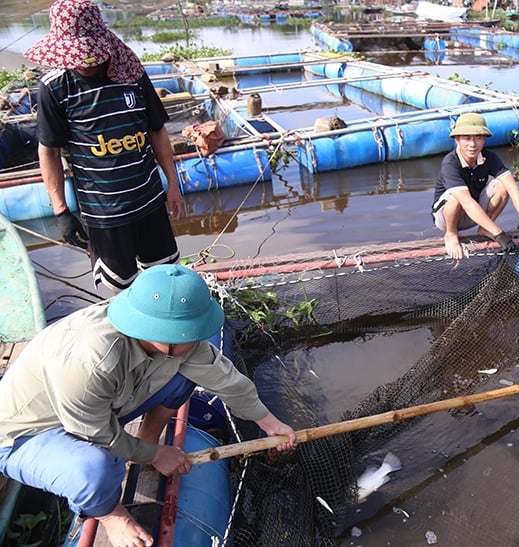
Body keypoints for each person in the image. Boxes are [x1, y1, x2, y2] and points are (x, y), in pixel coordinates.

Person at [0, 264, 297, 547]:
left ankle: (146, 438)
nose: (196, 340)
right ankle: (110, 515)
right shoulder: (90, 360)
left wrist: (270, 423)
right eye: (190, 334)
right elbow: (97, 434)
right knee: (94, 470)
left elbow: (225, 378)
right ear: (158, 333)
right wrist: (157, 456)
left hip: (95, 410)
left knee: (182, 380)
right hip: (28, 434)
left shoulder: (173, 341)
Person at [24, 0, 184, 293]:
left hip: (148, 201)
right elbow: (49, 151)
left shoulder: (132, 74)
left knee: (166, 279)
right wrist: (61, 211)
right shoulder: (55, 87)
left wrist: (172, 184)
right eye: (78, 57)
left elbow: (157, 130)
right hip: (104, 214)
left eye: (91, 55)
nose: (86, 63)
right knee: (121, 289)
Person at [432, 112, 519, 260]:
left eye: (478, 138)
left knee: (502, 186)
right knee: (455, 198)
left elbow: (512, 188)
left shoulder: (490, 157)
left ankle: (484, 228)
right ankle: (451, 234)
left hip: (475, 212)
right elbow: (467, 202)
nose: (472, 144)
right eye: (467, 138)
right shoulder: (450, 163)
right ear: (457, 139)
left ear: (484, 140)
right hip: (447, 217)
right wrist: (499, 234)